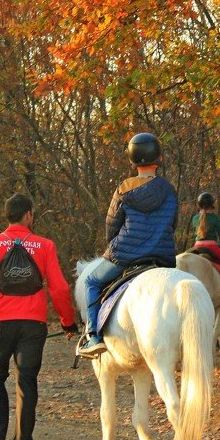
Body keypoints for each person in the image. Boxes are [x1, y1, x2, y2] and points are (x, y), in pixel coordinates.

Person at [0, 193, 77, 440]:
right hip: (33, 324)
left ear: (7, 215)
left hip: (0, 322)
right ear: (28, 215)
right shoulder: (44, 246)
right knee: (26, 381)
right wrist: (68, 322)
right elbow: (60, 288)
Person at [78, 133, 178, 359]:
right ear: (159, 158)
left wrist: (113, 247)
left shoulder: (124, 189)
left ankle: (93, 336)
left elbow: (112, 226)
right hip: (162, 257)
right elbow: (173, 222)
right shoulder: (169, 189)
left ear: (132, 161)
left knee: (91, 281)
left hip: (125, 255)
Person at [189, 191, 220, 292]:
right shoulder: (214, 218)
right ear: (211, 205)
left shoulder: (195, 218)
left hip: (197, 246)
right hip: (211, 247)